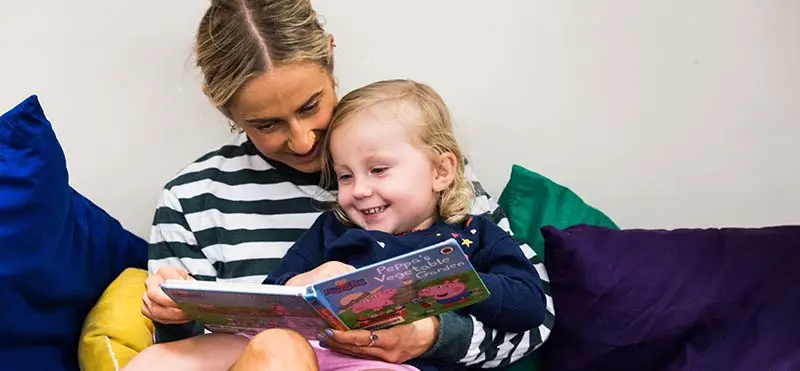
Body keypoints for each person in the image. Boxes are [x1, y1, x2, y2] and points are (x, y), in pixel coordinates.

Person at [124, 0, 554, 370]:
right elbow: (194, 346)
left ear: (330, 57)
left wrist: (432, 334)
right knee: (274, 346)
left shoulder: (434, 185)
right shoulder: (193, 199)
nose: (303, 139)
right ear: (226, 108)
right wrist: (172, 315)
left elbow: (537, 318)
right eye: (266, 124)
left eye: (311, 106)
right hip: (271, 354)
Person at [261, 79, 547, 371]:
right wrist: (303, 282)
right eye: (345, 177)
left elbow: (529, 305)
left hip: (402, 366)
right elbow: (267, 297)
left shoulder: (473, 233)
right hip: (318, 357)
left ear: (440, 171)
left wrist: (448, 282)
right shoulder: (333, 229)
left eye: (378, 170)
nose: (358, 190)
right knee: (249, 348)